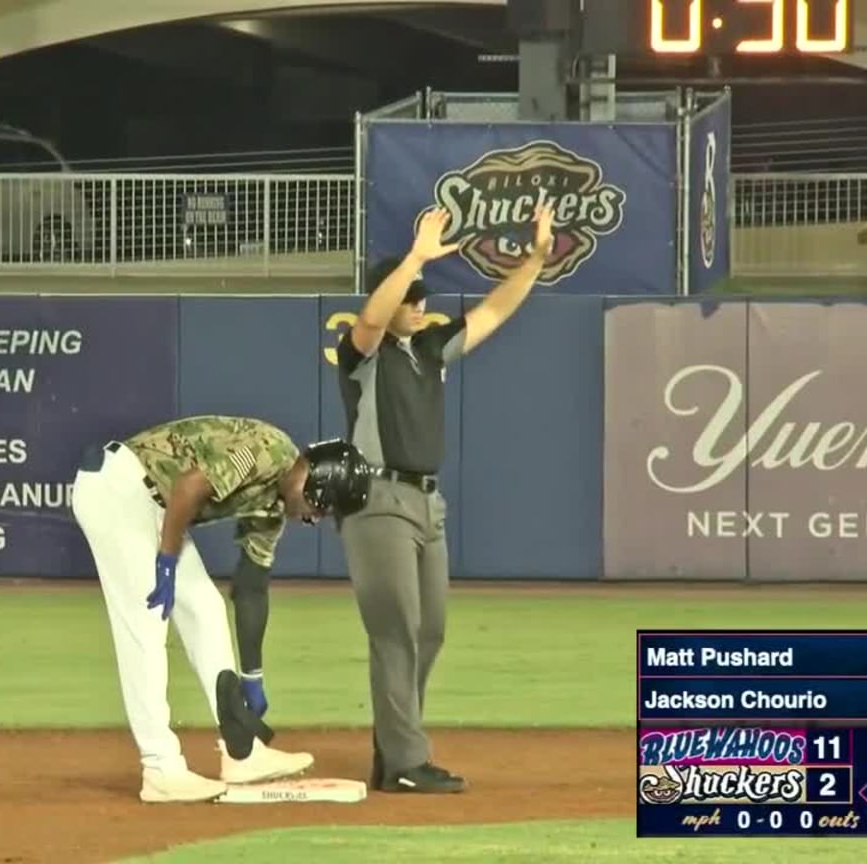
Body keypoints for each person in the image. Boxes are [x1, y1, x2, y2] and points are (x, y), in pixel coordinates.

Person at [335, 204, 556, 794]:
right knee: (396, 628)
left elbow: (493, 311)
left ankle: (393, 754)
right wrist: (413, 259)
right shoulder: (364, 356)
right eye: (411, 298)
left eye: (422, 296)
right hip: (376, 497)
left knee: (428, 630)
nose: (420, 305)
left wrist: (534, 258)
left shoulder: (430, 351)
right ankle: (407, 761)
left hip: (428, 504)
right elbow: (370, 319)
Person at [71, 415, 373, 803]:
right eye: (322, 506)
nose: (315, 518)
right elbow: (190, 486)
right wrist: (165, 560)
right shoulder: (267, 452)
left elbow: (250, 588)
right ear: (314, 482)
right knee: (145, 622)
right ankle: (160, 768)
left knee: (206, 608)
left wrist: (252, 677)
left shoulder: (275, 506)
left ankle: (242, 750)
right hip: (118, 489)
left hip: (154, 505)